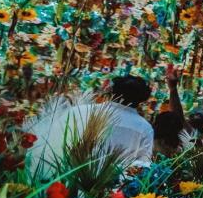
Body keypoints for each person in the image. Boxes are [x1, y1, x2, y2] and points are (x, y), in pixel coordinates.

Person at [25, 75, 155, 179]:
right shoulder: (144, 128)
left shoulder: (80, 111)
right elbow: (141, 166)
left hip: (63, 180)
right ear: (142, 100)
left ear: (111, 91)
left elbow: (51, 143)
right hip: (110, 193)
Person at [152, 67, 187, 157]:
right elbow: (178, 116)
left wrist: (173, 89)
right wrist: (173, 89)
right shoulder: (185, 143)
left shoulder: (148, 139)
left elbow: (178, 116)